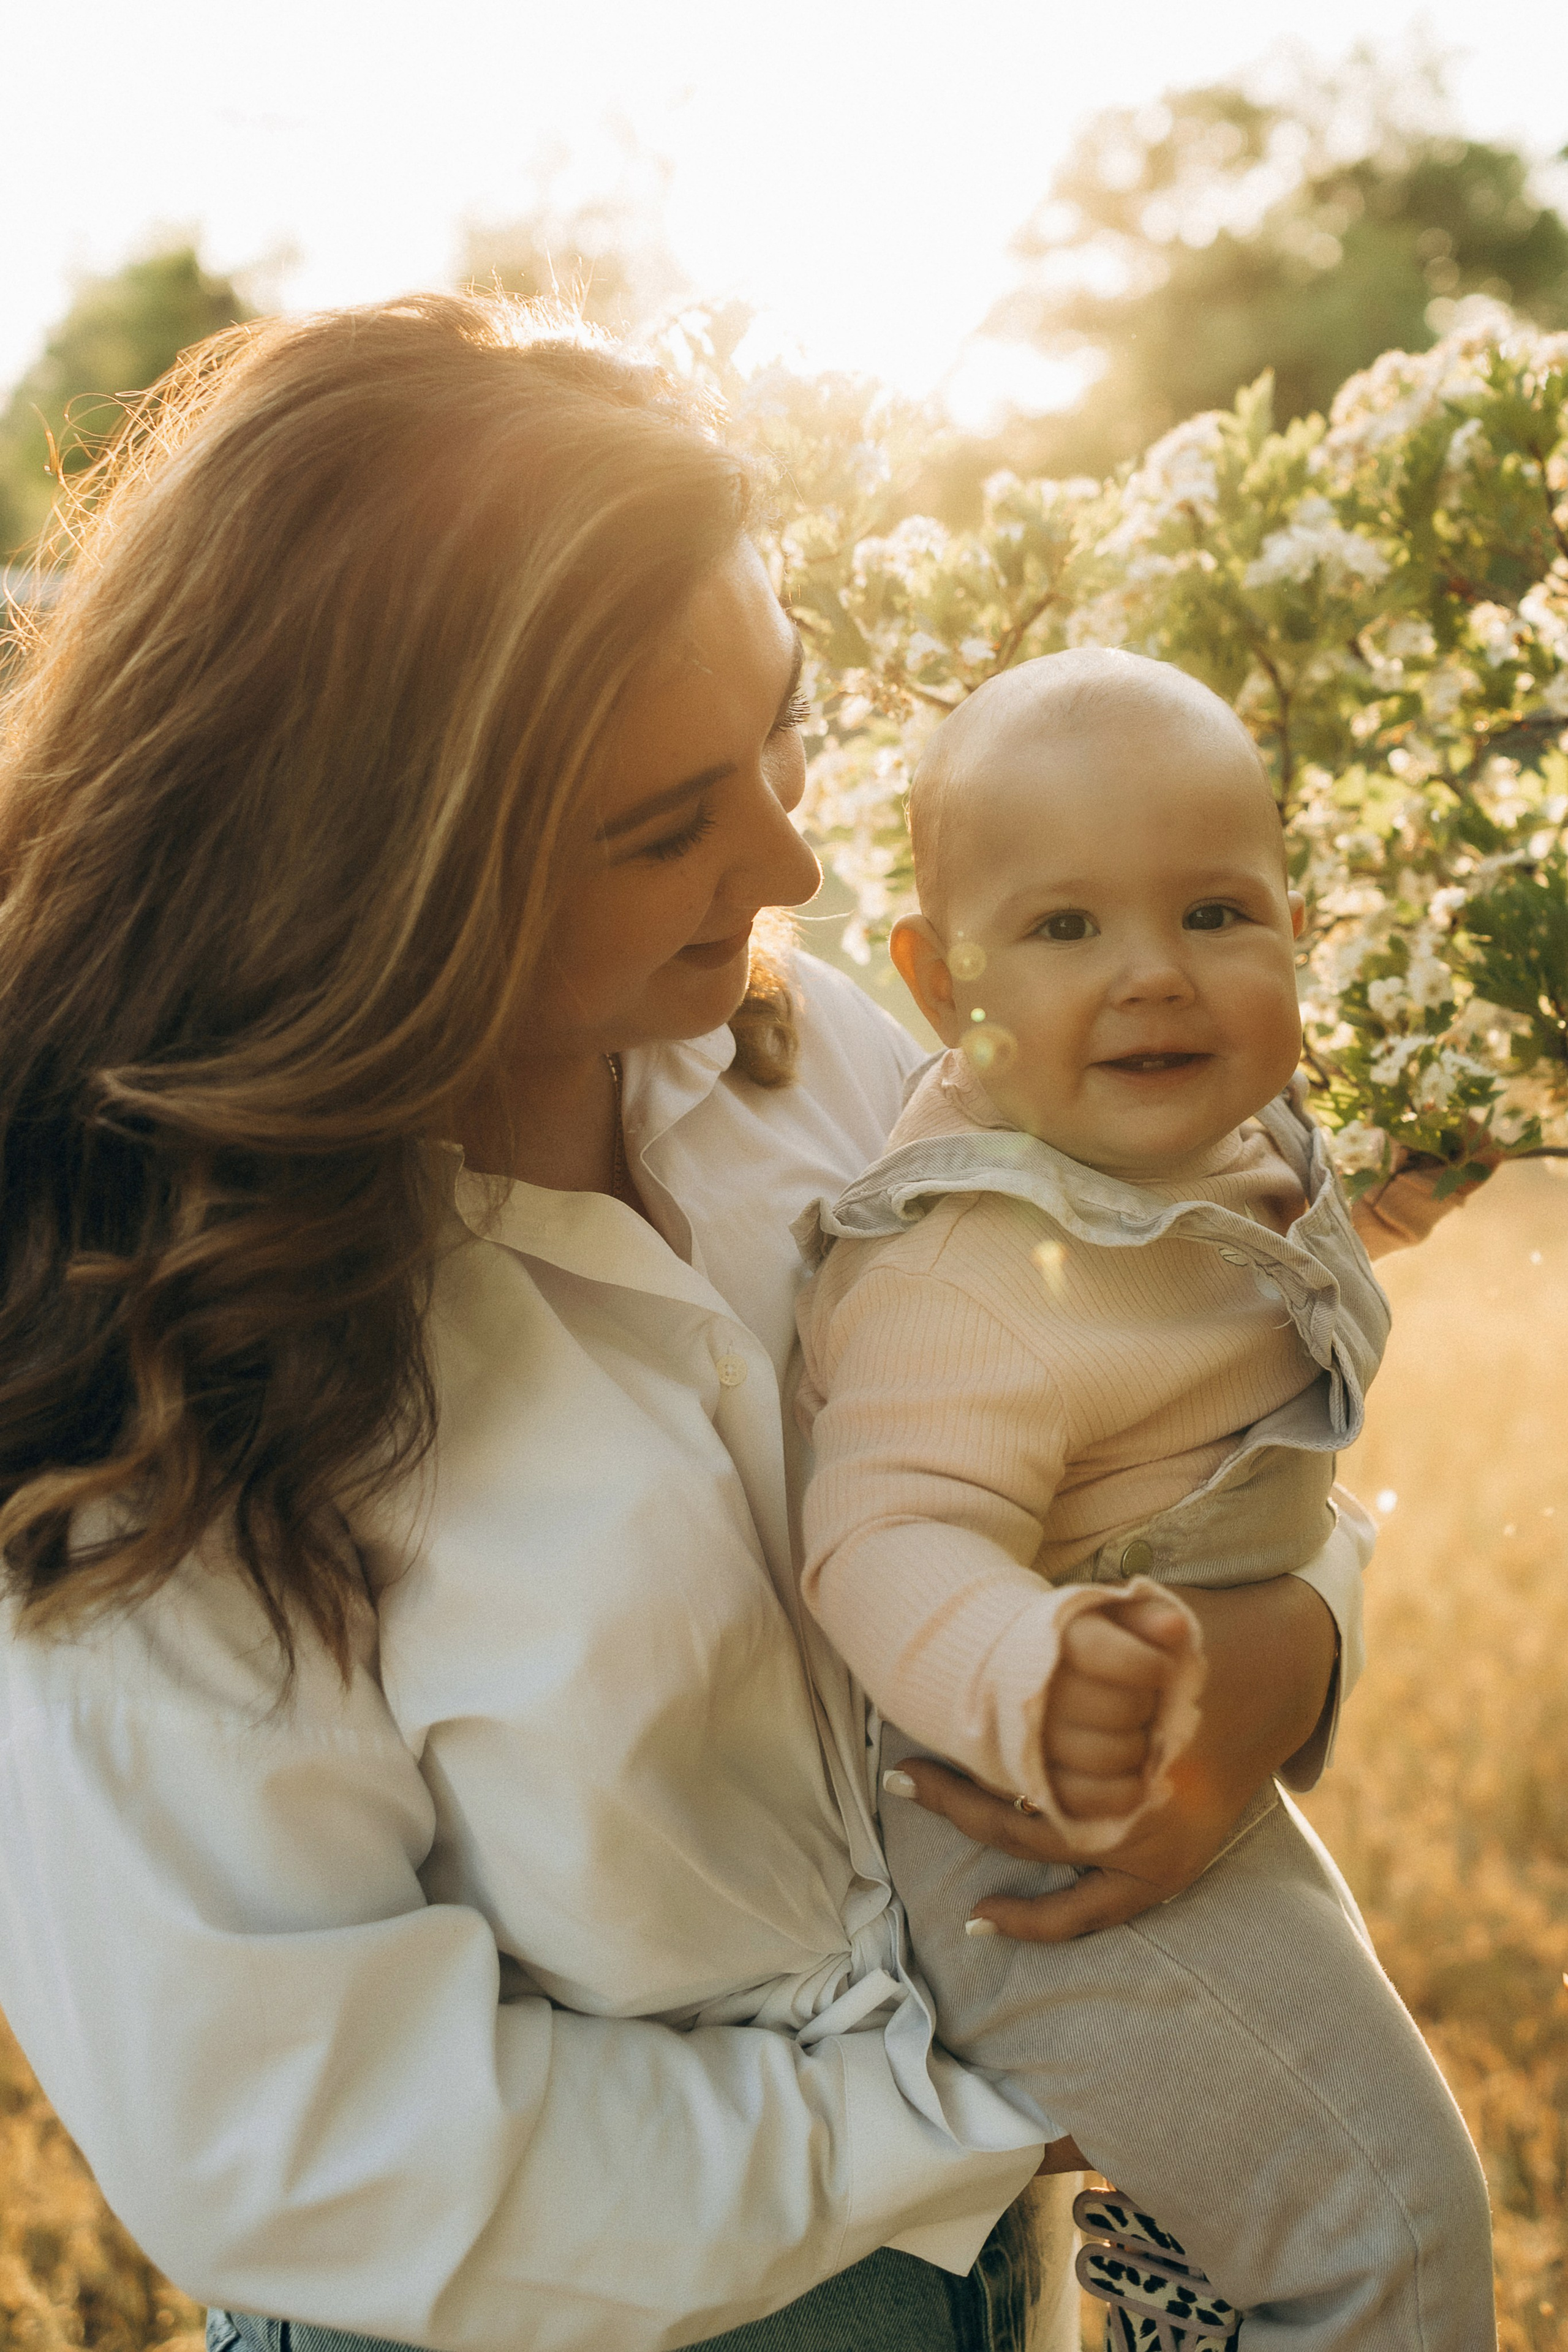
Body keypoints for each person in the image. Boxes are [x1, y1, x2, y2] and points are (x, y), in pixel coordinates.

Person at [0, 298, 1371, 2352]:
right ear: (382, 864)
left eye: (781, 730)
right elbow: (293, 2144)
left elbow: (1132, 1412)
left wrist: (1290, 1646)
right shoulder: (155, 1359)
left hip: (1000, 2279)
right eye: (665, 825)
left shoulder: (824, 1060)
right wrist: (983, 2103)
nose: (792, 855)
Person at [793, 650, 1496, 2348]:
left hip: (1172, 1802)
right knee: (1387, 2231)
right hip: (1027, 1836)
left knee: (1294, 2192)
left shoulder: (1188, 1146)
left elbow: (1197, 1309)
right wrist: (1027, 1666)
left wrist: (1378, 1218)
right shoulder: (962, 1266)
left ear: (1294, 928)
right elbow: (878, 1537)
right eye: (1065, 930)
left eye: (1216, 912)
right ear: (932, 978)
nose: (1154, 979)